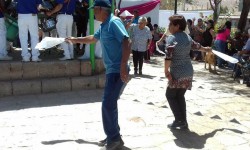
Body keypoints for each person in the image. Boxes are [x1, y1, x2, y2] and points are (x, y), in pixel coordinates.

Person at [65, 0, 131, 149]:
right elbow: (93, 39)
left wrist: (123, 66)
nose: (93, 12)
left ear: (101, 9)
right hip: (111, 70)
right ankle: (114, 136)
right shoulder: (104, 25)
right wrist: (75, 40)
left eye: (94, 10)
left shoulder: (114, 22)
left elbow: (127, 41)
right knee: (110, 104)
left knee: (108, 104)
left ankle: (114, 138)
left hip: (117, 70)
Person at [164, 14, 211, 129]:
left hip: (177, 73)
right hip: (188, 72)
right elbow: (197, 46)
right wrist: (206, 49)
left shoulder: (172, 38)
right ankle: (183, 121)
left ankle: (179, 120)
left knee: (170, 95)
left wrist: (166, 71)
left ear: (177, 26)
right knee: (180, 95)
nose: (169, 26)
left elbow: (168, 57)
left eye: (170, 24)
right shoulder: (187, 37)